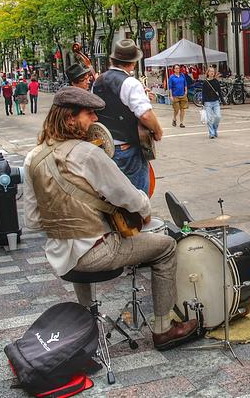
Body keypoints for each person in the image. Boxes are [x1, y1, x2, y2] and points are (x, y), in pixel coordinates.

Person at [22, 87, 198, 350]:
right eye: (89, 113)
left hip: (60, 258)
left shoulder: (32, 157)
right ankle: (163, 329)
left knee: (82, 249)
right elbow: (131, 197)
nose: (95, 119)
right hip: (97, 255)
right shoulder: (87, 154)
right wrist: (143, 208)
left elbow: (33, 220)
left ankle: (87, 325)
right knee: (165, 248)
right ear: (70, 118)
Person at [92, 40, 163, 195]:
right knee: (138, 200)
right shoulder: (130, 83)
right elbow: (145, 115)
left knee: (114, 199)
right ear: (132, 63)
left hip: (105, 147)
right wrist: (157, 131)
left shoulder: (98, 81)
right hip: (128, 150)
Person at [201, 66, 222, 139]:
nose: (212, 73)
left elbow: (219, 91)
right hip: (208, 102)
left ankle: (214, 129)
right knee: (209, 118)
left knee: (218, 117)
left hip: (216, 101)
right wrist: (203, 102)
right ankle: (211, 133)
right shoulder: (205, 82)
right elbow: (203, 93)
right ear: (208, 73)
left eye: (213, 71)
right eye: (210, 71)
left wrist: (222, 99)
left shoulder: (216, 81)